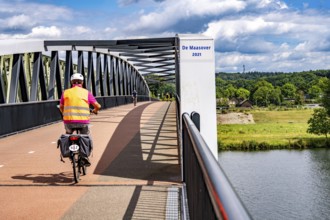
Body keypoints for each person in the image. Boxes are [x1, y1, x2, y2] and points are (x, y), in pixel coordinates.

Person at [59, 73, 101, 166]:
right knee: (86, 136)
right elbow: (98, 106)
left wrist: (64, 114)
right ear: (82, 82)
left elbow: (61, 107)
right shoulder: (86, 92)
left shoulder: (65, 92)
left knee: (68, 135)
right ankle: (85, 157)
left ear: (71, 82)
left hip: (68, 121)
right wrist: (95, 110)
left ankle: (70, 153)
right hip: (83, 122)